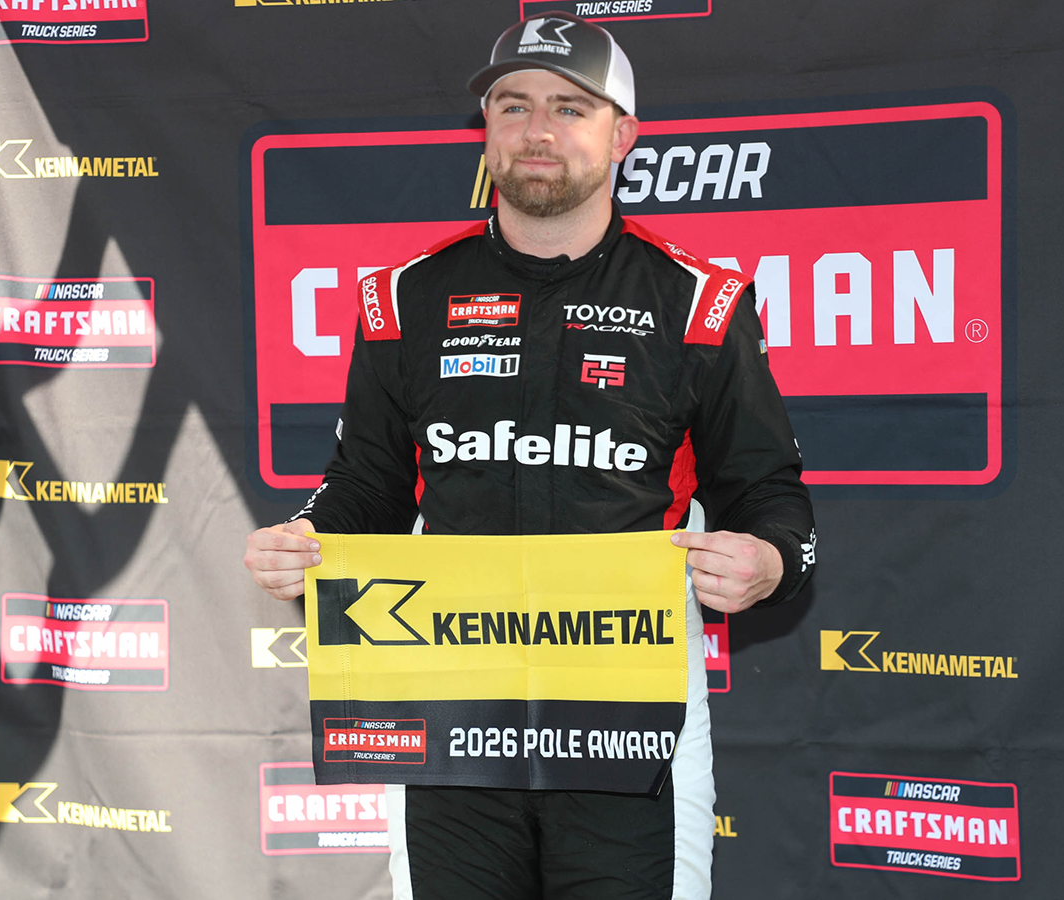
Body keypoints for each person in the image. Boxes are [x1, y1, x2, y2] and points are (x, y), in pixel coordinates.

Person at [243, 12, 816, 899]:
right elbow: (367, 487)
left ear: (623, 135)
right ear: (486, 131)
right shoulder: (405, 299)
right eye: (512, 106)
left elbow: (772, 496)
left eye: (569, 108)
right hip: (451, 715)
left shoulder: (700, 303)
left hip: (631, 721)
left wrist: (768, 561)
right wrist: (307, 536)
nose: (537, 130)